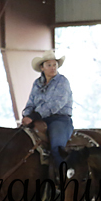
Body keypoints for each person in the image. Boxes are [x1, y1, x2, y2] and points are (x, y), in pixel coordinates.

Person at [21, 50, 73, 179]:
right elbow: (31, 102)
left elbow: (56, 104)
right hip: (38, 119)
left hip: (59, 120)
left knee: (57, 148)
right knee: (19, 140)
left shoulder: (62, 81)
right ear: (42, 68)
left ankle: (63, 178)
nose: (53, 68)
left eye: (54, 65)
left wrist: (33, 116)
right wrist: (26, 115)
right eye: (49, 65)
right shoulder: (37, 83)